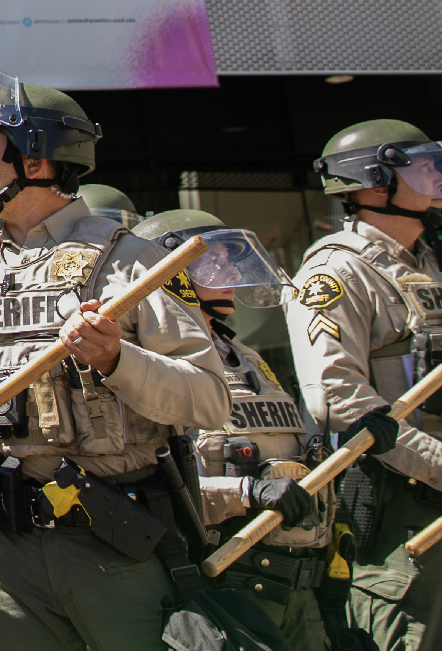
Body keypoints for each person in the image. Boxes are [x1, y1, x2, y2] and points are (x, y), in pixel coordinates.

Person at [0, 47, 229, 651]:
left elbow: (209, 400)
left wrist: (118, 360)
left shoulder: (130, 261)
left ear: (37, 155)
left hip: (106, 543)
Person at [286, 119, 442, 651]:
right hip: (399, 503)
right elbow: (337, 399)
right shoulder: (337, 272)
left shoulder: (431, 264)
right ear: (375, 181)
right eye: (423, 167)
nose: (440, 178)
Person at [132, 208, 326, 651]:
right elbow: (147, 487)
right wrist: (245, 494)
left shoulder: (248, 357)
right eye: (214, 261)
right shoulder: (154, 366)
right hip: (228, 589)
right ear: (172, 273)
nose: (232, 272)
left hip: (297, 580)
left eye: (232, 260)